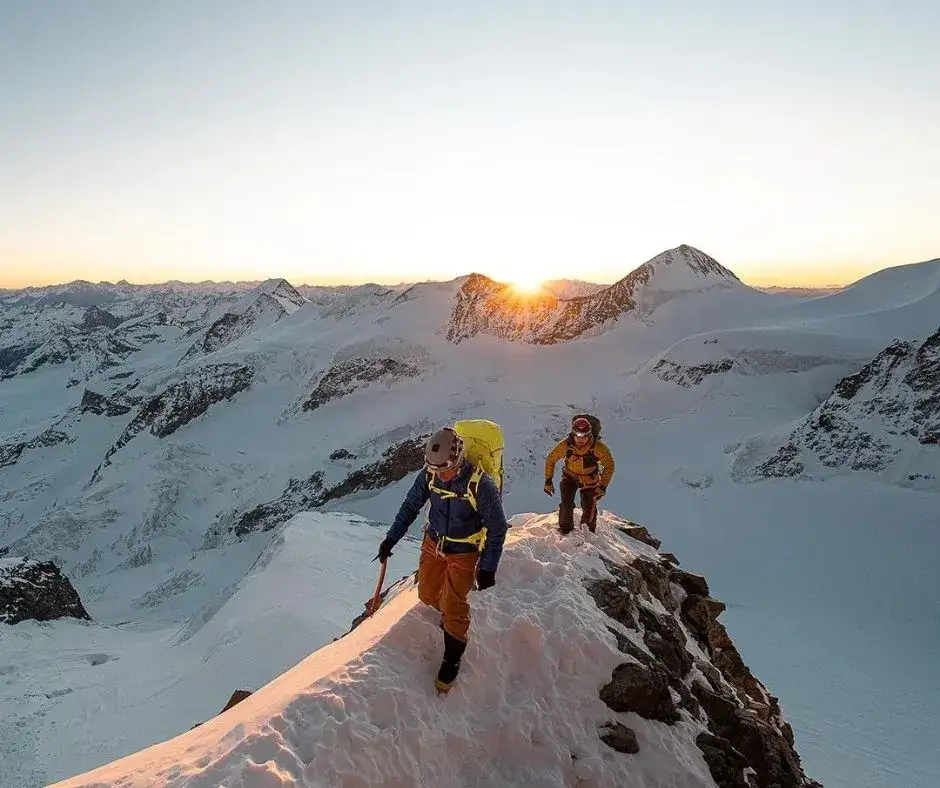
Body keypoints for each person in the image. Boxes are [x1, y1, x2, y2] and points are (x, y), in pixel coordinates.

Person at [376, 427, 508, 693]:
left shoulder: (481, 485)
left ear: (458, 460)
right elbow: (411, 505)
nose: (439, 475)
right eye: (434, 469)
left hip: (464, 551)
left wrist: (487, 568)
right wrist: (391, 538)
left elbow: (498, 528)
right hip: (434, 543)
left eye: (444, 470)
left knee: (453, 604)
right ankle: (449, 615)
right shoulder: (431, 474)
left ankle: (452, 658)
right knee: (427, 593)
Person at [543, 415, 615, 534]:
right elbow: (551, 459)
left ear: (589, 435)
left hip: (590, 480)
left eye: (584, 437)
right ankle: (565, 531)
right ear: (573, 434)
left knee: (589, 509)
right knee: (566, 505)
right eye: (577, 436)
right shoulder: (566, 445)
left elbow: (609, 465)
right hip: (570, 476)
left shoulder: (598, 448)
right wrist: (548, 481)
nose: (580, 440)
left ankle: (588, 534)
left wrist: (602, 486)